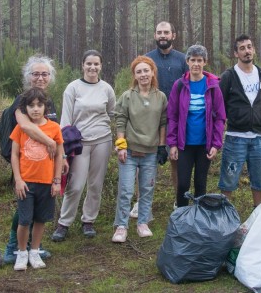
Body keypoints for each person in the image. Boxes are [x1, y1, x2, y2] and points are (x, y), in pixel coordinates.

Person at [4, 55, 66, 264]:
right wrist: (49, 142)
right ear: (28, 77)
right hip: (23, 160)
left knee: (38, 209)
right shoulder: (22, 101)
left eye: (45, 74)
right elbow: (26, 127)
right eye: (36, 74)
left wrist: (60, 154)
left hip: (45, 166)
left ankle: (33, 247)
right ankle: (14, 246)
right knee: (24, 207)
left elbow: (56, 134)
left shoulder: (48, 101)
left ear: (50, 77)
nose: (40, 78)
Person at [51, 50, 116, 241]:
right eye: (89, 64)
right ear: (82, 65)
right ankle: (64, 223)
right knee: (76, 184)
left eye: (96, 64)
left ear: (101, 66)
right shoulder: (73, 88)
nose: (92, 67)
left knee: (95, 184)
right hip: (79, 143)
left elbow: (113, 113)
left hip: (102, 140)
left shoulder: (106, 88)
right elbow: (65, 121)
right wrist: (62, 150)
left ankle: (89, 221)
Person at [111, 56, 168, 242]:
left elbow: (163, 123)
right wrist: (121, 146)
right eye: (139, 71)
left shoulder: (160, 97)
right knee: (126, 189)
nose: (143, 74)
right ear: (134, 75)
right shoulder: (127, 96)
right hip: (130, 151)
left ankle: (143, 222)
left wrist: (161, 147)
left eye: (146, 70)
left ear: (153, 72)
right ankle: (121, 225)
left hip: (150, 152)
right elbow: (121, 120)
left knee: (147, 188)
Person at [167, 44, 226, 207]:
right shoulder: (179, 86)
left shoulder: (213, 86)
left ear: (205, 62)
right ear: (187, 61)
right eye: (193, 60)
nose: (196, 64)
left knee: (201, 183)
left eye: (200, 60)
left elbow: (220, 117)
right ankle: (181, 216)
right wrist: (172, 144)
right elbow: (172, 116)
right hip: (184, 144)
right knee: (183, 184)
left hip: (204, 144)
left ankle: (199, 219)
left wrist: (216, 144)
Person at [218, 35, 261, 207]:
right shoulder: (228, 76)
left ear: (254, 49)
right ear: (236, 53)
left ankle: (258, 214)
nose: (247, 51)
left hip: (258, 137)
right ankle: (225, 216)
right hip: (235, 137)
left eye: (249, 47)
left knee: (260, 179)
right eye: (242, 48)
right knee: (229, 179)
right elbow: (220, 105)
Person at [145, 21, 189, 212]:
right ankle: (142, 202)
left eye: (166, 32)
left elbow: (190, 85)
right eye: (159, 32)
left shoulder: (182, 59)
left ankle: (179, 200)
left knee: (176, 159)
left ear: (173, 35)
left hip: (177, 117)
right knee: (145, 160)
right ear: (155, 35)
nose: (163, 35)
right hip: (149, 115)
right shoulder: (147, 59)